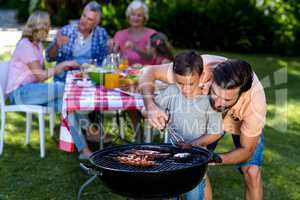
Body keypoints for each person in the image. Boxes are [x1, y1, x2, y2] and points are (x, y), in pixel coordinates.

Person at [139, 56, 267, 200]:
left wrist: (216, 158)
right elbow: (148, 71)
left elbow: (246, 151)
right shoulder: (202, 68)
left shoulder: (255, 104)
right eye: (215, 93)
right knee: (198, 169)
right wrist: (150, 107)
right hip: (207, 118)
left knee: (252, 171)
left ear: (241, 94)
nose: (218, 103)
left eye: (226, 99)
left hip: (240, 118)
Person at [149, 51, 223, 200]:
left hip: (196, 160)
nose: (185, 89)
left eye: (191, 83)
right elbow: (149, 110)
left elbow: (216, 133)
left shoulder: (210, 100)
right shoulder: (171, 92)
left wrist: (193, 144)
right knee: (168, 194)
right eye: (180, 83)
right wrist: (154, 113)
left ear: (201, 76)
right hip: (169, 157)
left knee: (194, 194)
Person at [5, 11, 78, 112]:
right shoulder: (25, 45)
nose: (49, 28)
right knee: (67, 88)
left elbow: (41, 77)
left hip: (31, 91)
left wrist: (57, 45)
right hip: (19, 94)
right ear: (40, 27)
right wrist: (62, 65)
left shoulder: (38, 45)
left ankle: (83, 127)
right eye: (48, 25)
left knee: (68, 103)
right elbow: (41, 76)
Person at [46, 1, 108, 82]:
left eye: (89, 19)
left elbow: (104, 60)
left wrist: (111, 49)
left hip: (91, 80)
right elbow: (49, 58)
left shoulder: (101, 34)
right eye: (84, 16)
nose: (84, 21)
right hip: (65, 80)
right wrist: (56, 46)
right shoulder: (66, 31)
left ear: (95, 24)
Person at [112, 0, 156, 66]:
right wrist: (111, 48)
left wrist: (135, 48)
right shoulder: (119, 34)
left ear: (144, 18)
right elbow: (113, 58)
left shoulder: (152, 34)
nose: (135, 18)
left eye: (139, 15)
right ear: (128, 16)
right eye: (133, 14)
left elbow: (150, 58)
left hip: (145, 73)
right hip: (124, 73)